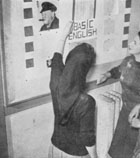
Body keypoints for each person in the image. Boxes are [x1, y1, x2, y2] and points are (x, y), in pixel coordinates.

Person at [97, 29, 140, 158]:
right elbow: (118, 70)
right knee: (116, 150)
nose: (130, 43)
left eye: (135, 43)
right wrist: (106, 74)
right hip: (125, 112)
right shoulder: (128, 60)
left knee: (132, 152)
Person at [49, 21, 97, 158]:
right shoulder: (87, 102)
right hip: (75, 155)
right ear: (85, 69)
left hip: (54, 148)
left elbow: (57, 56)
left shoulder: (56, 80)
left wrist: (64, 35)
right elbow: (88, 139)